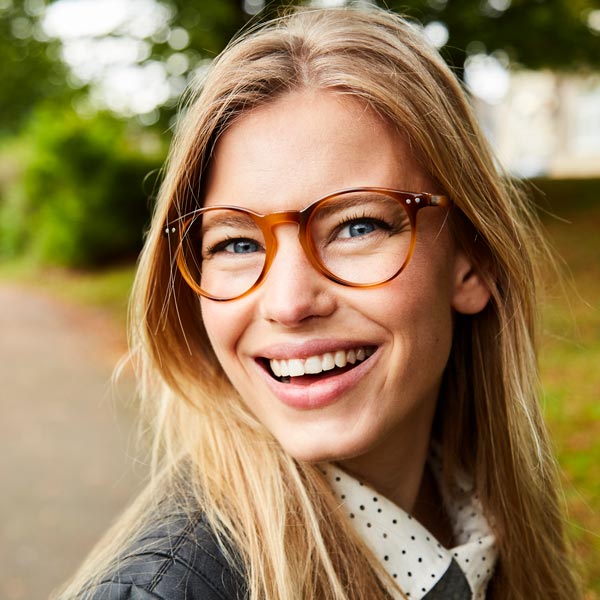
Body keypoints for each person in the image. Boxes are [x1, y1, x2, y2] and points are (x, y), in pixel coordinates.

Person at [56, 5, 581, 600]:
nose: (288, 302)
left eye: (356, 227)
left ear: (473, 261)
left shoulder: (479, 513)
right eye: (234, 242)